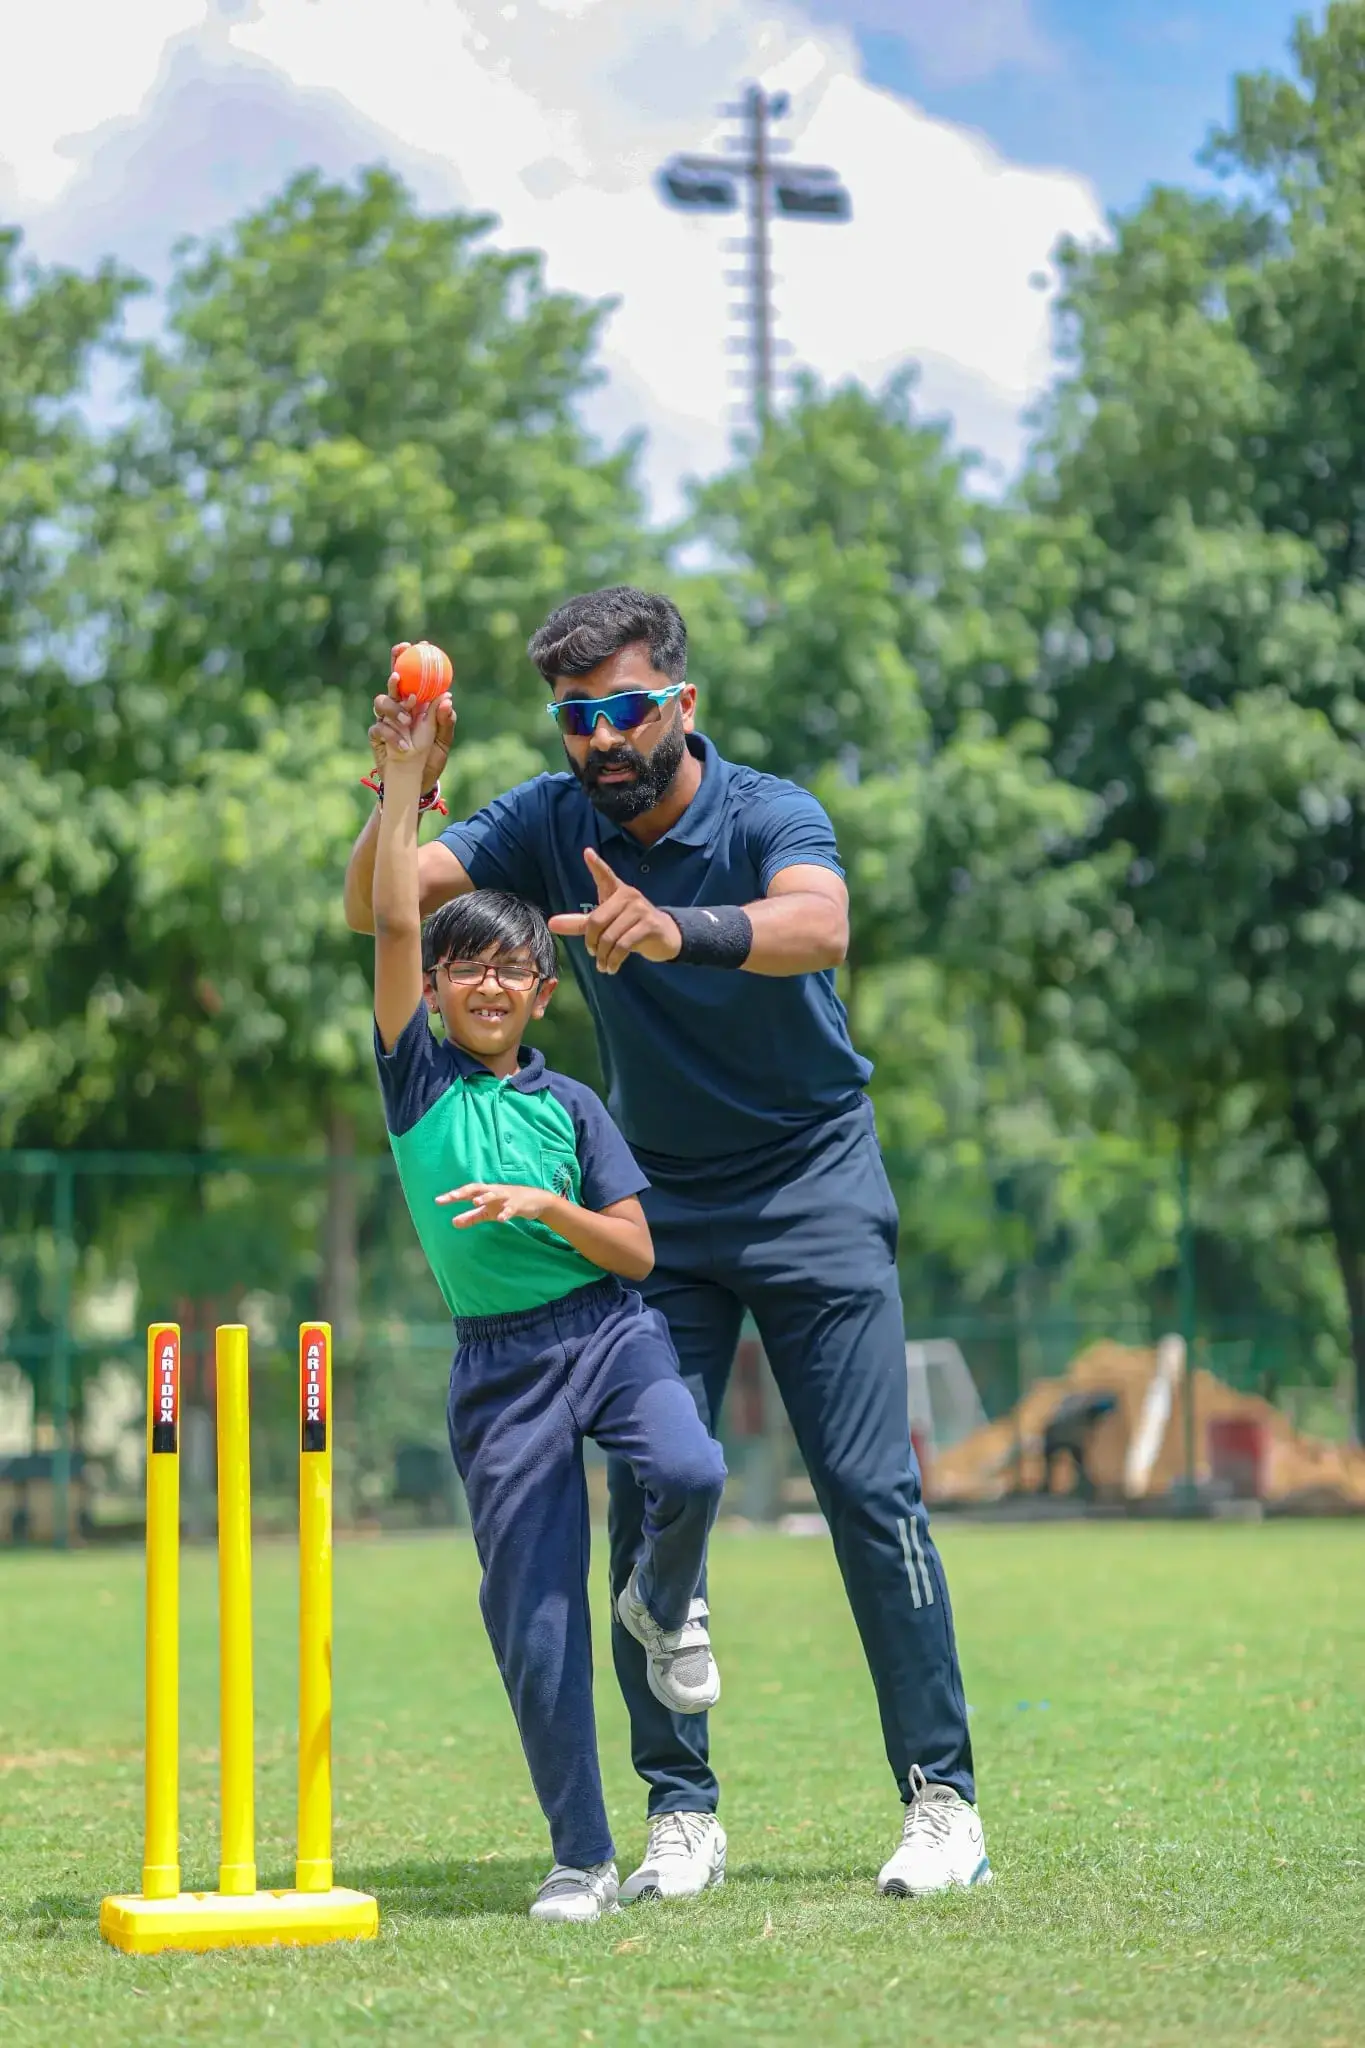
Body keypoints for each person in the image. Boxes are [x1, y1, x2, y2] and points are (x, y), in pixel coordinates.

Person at [346, 588, 991, 1901]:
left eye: (628, 708)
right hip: (659, 1208)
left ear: (680, 704)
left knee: (869, 1492)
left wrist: (675, 928)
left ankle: (942, 1800)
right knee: (646, 1495)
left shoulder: (766, 811)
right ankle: (680, 1811)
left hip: (812, 1183)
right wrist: (402, 787)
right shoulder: (549, 817)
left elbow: (820, 925)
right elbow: (383, 906)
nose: (602, 738)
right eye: (577, 717)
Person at [369, 690, 727, 1923]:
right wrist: (407, 782)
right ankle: (581, 1855)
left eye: (511, 968)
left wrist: (547, 1206)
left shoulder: (572, 1106)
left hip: (607, 1329)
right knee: (533, 1624)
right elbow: (391, 914)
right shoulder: (417, 1083)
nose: (488, 983)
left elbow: (636, 1249)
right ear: (433, 989)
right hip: (503, 1368)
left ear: (542, 990)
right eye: (464, 966)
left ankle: (661, 1600)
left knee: (693, 1468)